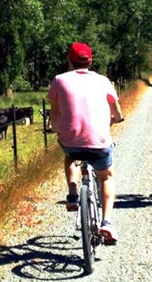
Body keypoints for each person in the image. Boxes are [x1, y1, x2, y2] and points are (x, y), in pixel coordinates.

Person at [48, 42, 124, 244]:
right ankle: (106, 223)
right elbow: (115, 109)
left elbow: (54, 111)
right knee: (106, 177)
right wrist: (117, 118)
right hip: (99, 142)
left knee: (70, 157)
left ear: (69, 60)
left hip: (70, 141)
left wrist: (55, 128)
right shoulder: (103, 80)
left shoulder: (59, 80)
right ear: (90, 61)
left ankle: (73, 195)